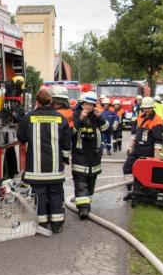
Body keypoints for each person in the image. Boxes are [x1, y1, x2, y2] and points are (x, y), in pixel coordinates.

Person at [17, 88, 72, 233]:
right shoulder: (60, 118)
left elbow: (21, 138)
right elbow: (66, 143)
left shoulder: (28, 117)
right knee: (56, 195)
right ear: (51, 100)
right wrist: (65, 159)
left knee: (39, 196)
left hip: (35, 172)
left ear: (37, 101)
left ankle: (41, 225)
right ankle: (57, 225)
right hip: (55, 170)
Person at [71, 91, 109, 219]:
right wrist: (80, 119)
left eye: (91, 105)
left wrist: (100, 117)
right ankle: (83, 208)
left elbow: (107, 128)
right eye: (87, 104)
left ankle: (87, 204)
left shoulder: (96, 116)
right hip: (80, 154)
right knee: (80, 182)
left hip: (94, 155)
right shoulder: (75, 115)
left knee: (91, 181)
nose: (89, 107)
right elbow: (71, 131)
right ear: (82, 104)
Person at [123, 96, 163, 194]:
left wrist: (157, 156)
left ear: (152, 107)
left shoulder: (157, 120)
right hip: (137, 148)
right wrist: (131, 146)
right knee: (127, 167)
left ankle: (142, 191)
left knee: (143, 172)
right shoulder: (140, 117)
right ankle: (130, 189)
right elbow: (135, 133)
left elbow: (158, 140)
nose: (146, 110)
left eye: (148, 108)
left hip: (148, 151)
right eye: (144, 108)